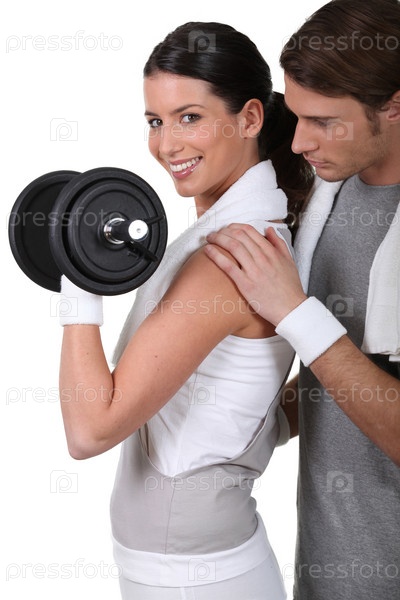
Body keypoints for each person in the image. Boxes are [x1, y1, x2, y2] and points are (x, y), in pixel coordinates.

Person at [56, 22, 314, 599]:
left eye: (189, 117)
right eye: (155, 121)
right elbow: (244, 395)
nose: (167, 145)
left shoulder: (227, 256)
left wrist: (76, 279)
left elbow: (90, 430)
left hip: (199, 580)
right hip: (183, 569)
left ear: (250, 118)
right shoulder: (230, 236)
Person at [204, 1, 400, 598]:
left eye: (323, 121)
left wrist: (293, 312)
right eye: (295, 115)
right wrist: (240, 431)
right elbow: (340, 374)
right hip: (323, 571)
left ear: (394, 105)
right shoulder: (329, 192)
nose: (299, 141)